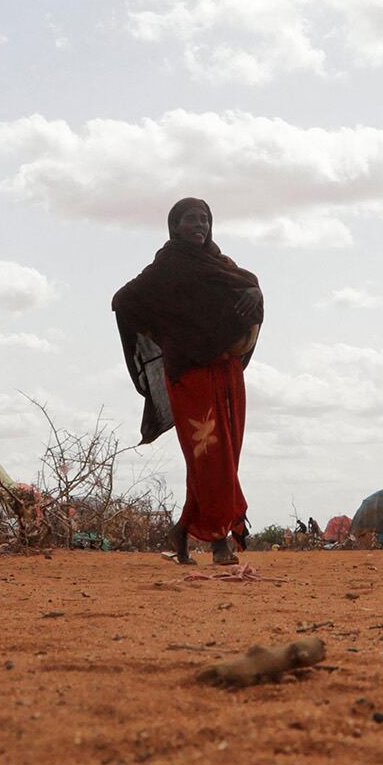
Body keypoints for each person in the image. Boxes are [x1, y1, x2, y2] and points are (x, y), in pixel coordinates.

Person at [112, 198, 264, 565]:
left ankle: (181, 533)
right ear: (174, 226)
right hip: (190, 375)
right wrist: (168, 336)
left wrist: (256, 293)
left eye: (205, 219)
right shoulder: (167, 268)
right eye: (191, 219)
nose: (200, 224)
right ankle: (218, 541)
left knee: (224, 456)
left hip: (227, 371)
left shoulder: (224, 266)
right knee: (210, 456)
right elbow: (124, 300)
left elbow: (250, 289)